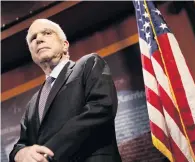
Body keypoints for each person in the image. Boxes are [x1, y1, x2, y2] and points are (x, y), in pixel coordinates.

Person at [9, 19, 122, 162]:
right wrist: (20, 154)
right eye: (33, 38)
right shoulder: (32, 105)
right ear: (32, 54)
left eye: (47, 33)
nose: (39, 39)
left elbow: (102, 108)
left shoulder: (89, 64)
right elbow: (22, 143)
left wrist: (48, 153)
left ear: (64, 45)